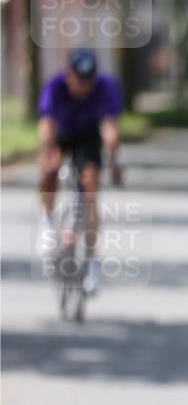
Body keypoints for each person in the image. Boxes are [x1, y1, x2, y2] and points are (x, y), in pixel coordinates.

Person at [36, 48, 124, 294]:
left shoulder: (105, 87)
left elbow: (110, 129)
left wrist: (115, 162)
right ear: (68, 75)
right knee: (48, 171)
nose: (83, 87)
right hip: (62, 133)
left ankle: (92, 261)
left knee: (91, 187)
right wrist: (46, 159)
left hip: (88, 137)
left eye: (88, 82)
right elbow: (46, 127)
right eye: (78, 80)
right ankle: (47, 220)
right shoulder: (55, 87)